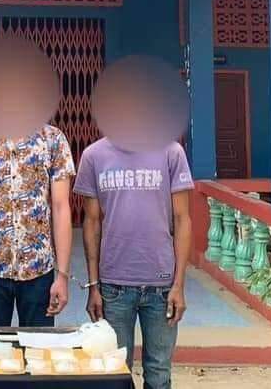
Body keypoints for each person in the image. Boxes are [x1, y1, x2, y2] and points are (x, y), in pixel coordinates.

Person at [73, 138, 193, 389]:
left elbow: (182, 218)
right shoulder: (94, 156)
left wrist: (179, 285)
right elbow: (92, 222)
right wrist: (94, 286)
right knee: (115, 373)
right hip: (113, 287)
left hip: (161, 287)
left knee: (159, 373)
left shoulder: (171, 152)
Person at [0, 124, 74, 328]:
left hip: (38, 270)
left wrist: (62, 276)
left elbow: (61, 208)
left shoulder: (52, 138)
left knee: (38, 346)